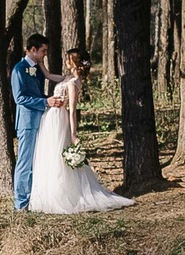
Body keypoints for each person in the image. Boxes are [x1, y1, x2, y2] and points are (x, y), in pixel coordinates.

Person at [26, 48, 134, 215]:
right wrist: (39, 62)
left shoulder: (73, 82)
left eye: (68, 59)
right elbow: (48, 75)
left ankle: (63, 194)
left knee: (58, 155)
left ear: (75, 62)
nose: (66, 61)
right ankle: (48, 193)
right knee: (50, 153)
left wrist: (73, 133)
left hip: (60, 119)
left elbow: (72, 110)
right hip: (51, 117)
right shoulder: (67, 78)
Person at [10, 34, 54, 212]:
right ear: (33, 50)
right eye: (43, 51)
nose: (45, 54)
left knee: (36, 161)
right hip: (27, 122)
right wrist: (45, 102)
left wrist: (50, 100)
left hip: (39, 119)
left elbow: (37, 94)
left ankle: (33, 199)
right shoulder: (19, 69)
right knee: (25, 162)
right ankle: (20, 203)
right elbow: (19, 98)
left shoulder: (37, 69)